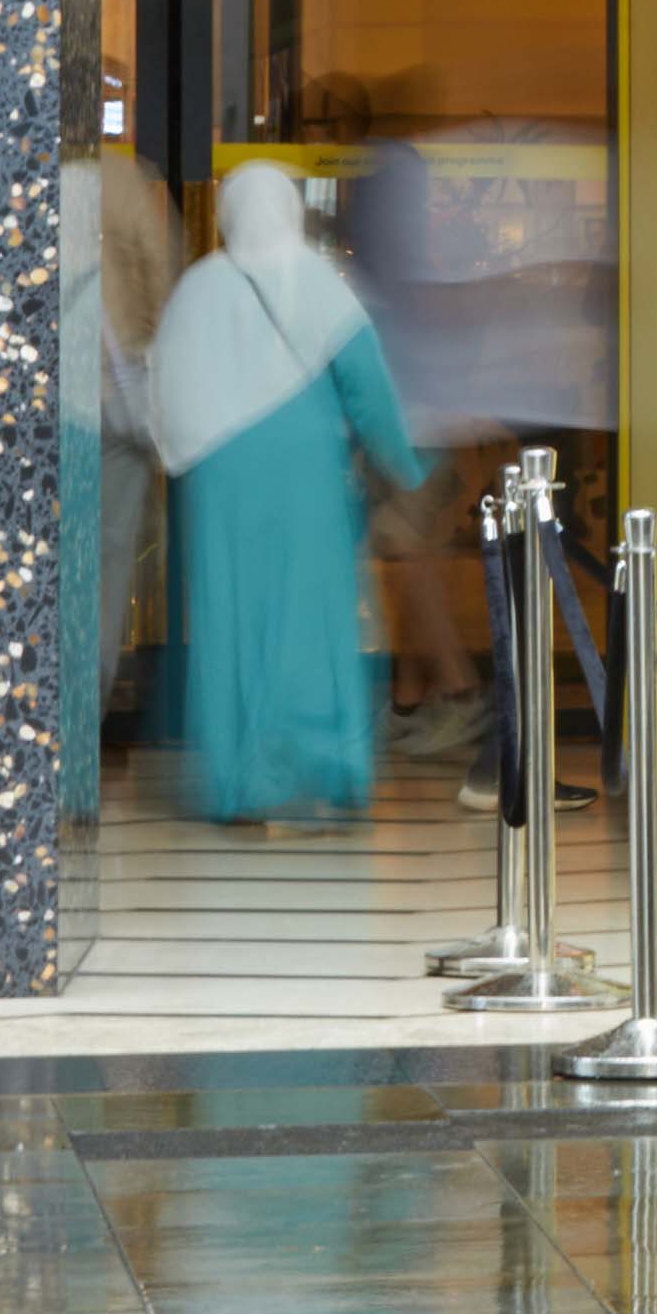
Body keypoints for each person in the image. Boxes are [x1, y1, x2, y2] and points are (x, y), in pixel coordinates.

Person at [147, 160, 426, 828]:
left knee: (232, 622)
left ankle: (239, 785)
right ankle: (333, 770)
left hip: (219, 483)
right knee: (315, 615)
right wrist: (404, 468)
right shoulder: (319, 282)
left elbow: (165, 389)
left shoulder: (198, 288)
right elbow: (368, 387)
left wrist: (184, 461)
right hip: (307, 477)